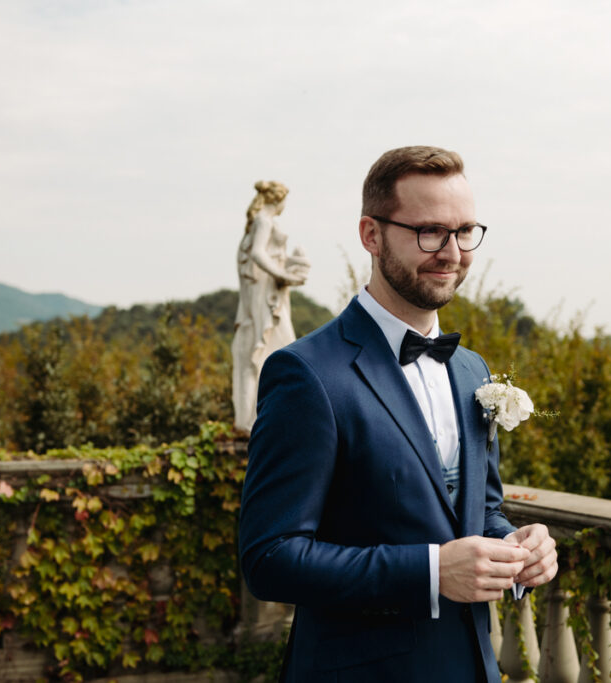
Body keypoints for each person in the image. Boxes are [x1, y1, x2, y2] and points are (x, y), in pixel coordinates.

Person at [239, 146, 558, 682]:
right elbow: (269, 558)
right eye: (429, 232)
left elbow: (479, 509)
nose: (452, 252)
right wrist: (431, 573)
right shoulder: (305, 373)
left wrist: (515, 546)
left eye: (465, 232)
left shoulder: (473, 372)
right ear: (371, 234)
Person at [231, 180, 309, 432]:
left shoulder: (260, 222)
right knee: (277, 348)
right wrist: (282, 275)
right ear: (278, 200)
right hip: (266, 296)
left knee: (271, 350)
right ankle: (263, 416)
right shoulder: (264, 221)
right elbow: (257, 254)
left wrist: (291, 265)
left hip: (270, 292)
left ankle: (261, 413)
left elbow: (269, 255)